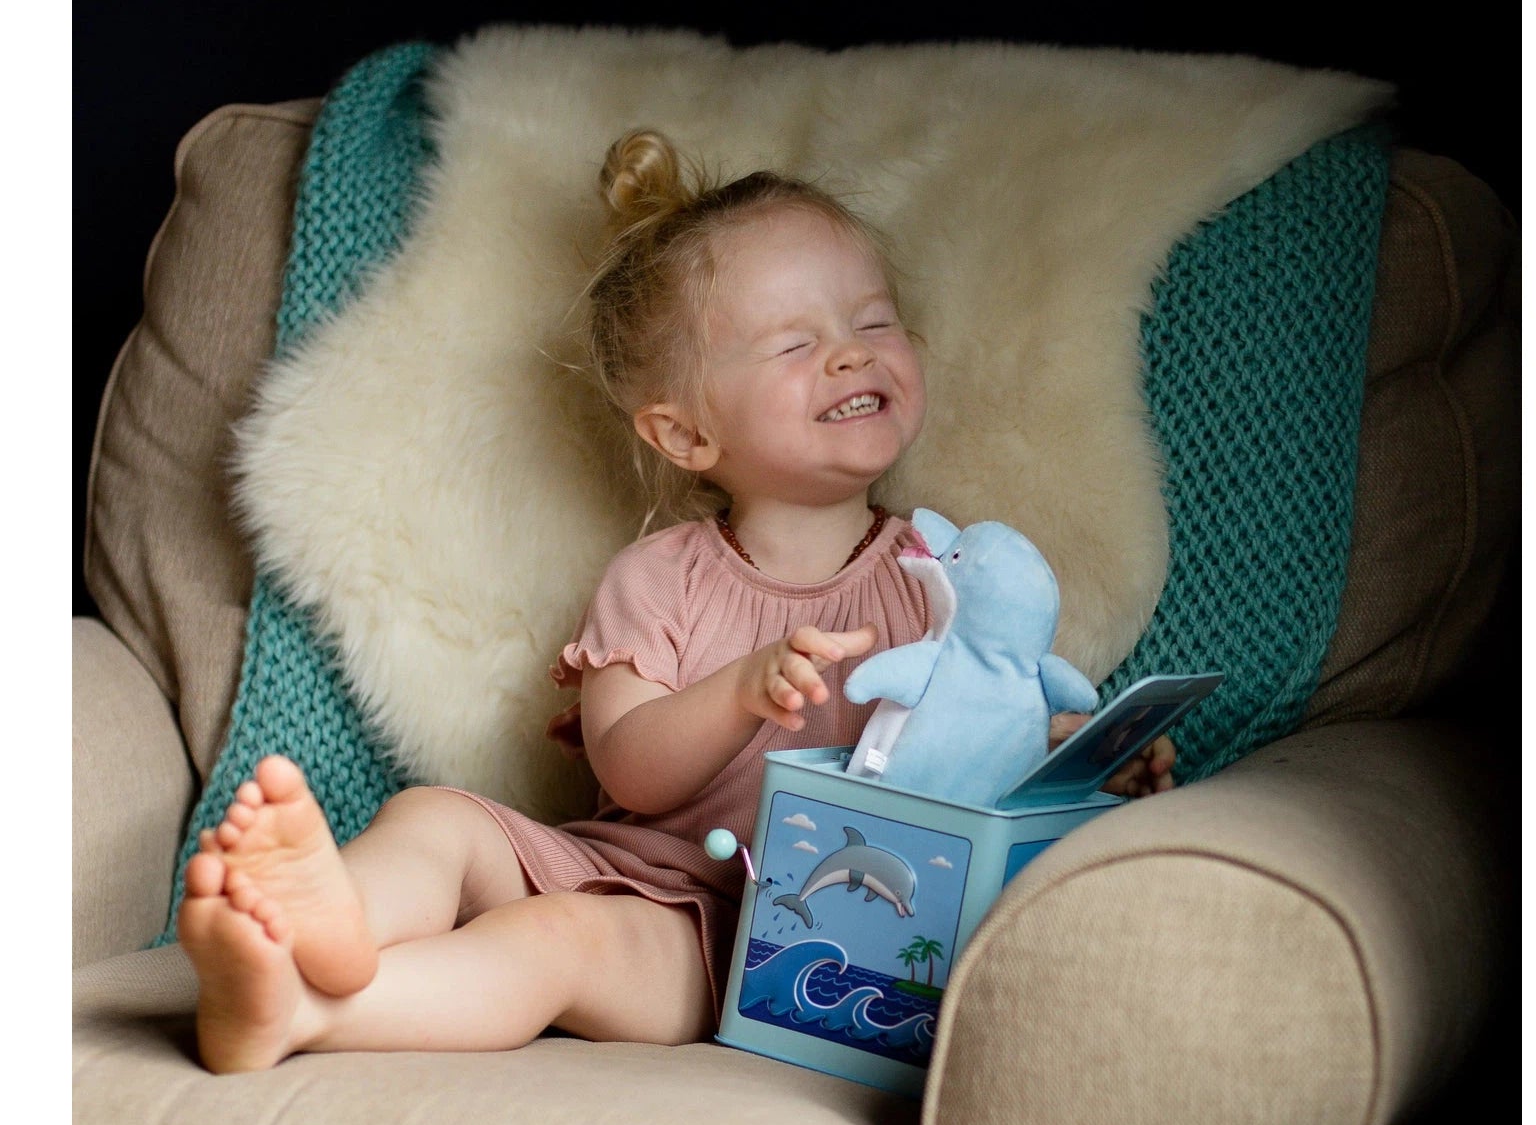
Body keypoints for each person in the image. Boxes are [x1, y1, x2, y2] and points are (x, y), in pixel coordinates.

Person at [177, 130, 1177, 1075]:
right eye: (795, 343)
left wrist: (1075, 761)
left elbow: (972, 758)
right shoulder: (661, 576)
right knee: (433, 815)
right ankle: (315, 926)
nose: (850, 353)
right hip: (615, 860)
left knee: (555, 938)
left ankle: (304, 1011)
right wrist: (740, 690)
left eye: (871, 321)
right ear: (687, 434)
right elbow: (628, 768)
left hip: (732, 937)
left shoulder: (939, 577)